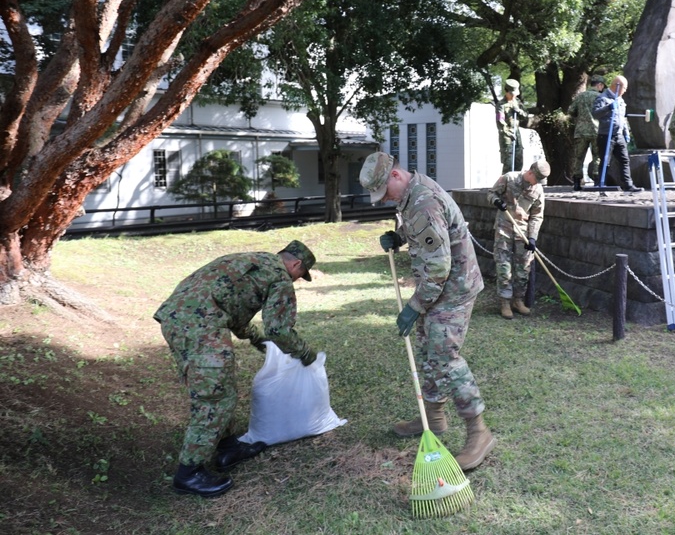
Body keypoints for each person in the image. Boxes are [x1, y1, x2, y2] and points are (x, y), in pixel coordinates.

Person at [359, 152, 496, 470]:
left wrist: (414, 307)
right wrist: (400, 236)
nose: (383, 201)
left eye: (384, 192)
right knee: (426, 351)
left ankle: (480, 432)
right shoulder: (411, 194)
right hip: (437, 291)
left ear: (395, 176)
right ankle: (433, 420)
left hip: (452, 291)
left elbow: (439, 266)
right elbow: (429, 232)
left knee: (445, 358)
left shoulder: (422, 201)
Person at [153, 241, 319, 497]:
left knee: (221, 388)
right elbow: (280, 330)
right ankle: (189, 474)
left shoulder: (252, 261)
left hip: (177, 319)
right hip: (201, 328)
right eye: (300, 275)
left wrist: (255, 338)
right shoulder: (280, 277)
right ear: (295, 264)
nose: (297, 281)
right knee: (215, 399)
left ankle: (228, 447)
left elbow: (233, 310)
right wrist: (306, 354)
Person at [487, 160, 549, 318]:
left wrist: (533, 237)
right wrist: (497, 201)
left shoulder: (538, 190)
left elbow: (537, 216)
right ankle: (505, 302)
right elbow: (491, 193)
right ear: (530, 173)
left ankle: (518, 300)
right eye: (537, 179)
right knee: (504, 267)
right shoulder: (509, 179)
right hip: (504, 229)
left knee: (523, 269)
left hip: (523, 232)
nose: (537, 184)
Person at [592, 74, 642, 192]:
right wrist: (608, 108)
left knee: (624, 159)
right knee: (605, 161)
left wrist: (625, 133)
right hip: (606, 135)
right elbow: (595, 114)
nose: (624, 91)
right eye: (624, 88)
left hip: (618, 135)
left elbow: (622, 118)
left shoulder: (620, 100)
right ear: (617, 86)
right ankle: (601, 184)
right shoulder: (602, 98)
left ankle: (628, 184)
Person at [567, 76, 604, 191]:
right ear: (599, 85)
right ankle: (597, 181)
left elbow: (571, 111)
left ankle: (577, 183)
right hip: (596, 130)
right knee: (597, 156)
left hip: (581, 131)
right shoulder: (600, 97)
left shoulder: (580, 96)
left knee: (578, 158)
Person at [497, 79, 528, 174]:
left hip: (517, 134)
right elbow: (500, 121)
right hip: (507, 137)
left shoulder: (517, 102)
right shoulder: (501, 105)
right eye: (512, 93)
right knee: (509, 163)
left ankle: (516, 184)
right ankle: (505, 185)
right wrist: (508, 133)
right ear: (507, 91)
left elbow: (525, 115)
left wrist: (519, 111)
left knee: (519, 162)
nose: (514, 95)